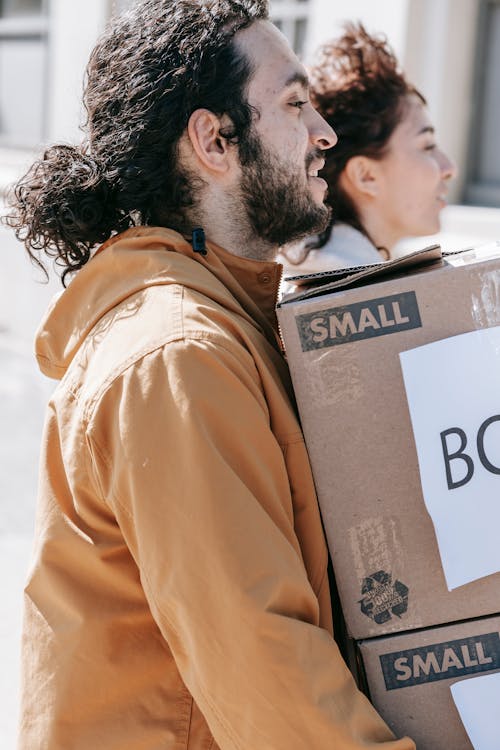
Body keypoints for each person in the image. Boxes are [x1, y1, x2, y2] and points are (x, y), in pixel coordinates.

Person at [7, 2, 415, 748]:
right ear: (214, 140)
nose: (324, 133)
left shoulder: (225, 321)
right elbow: (261, 658)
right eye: (295, 104)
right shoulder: (177, 355)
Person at [280, 22, 457, 276]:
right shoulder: (360, 293)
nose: (450, 168)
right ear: (365, 175)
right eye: (427, 146)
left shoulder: (311, 268)